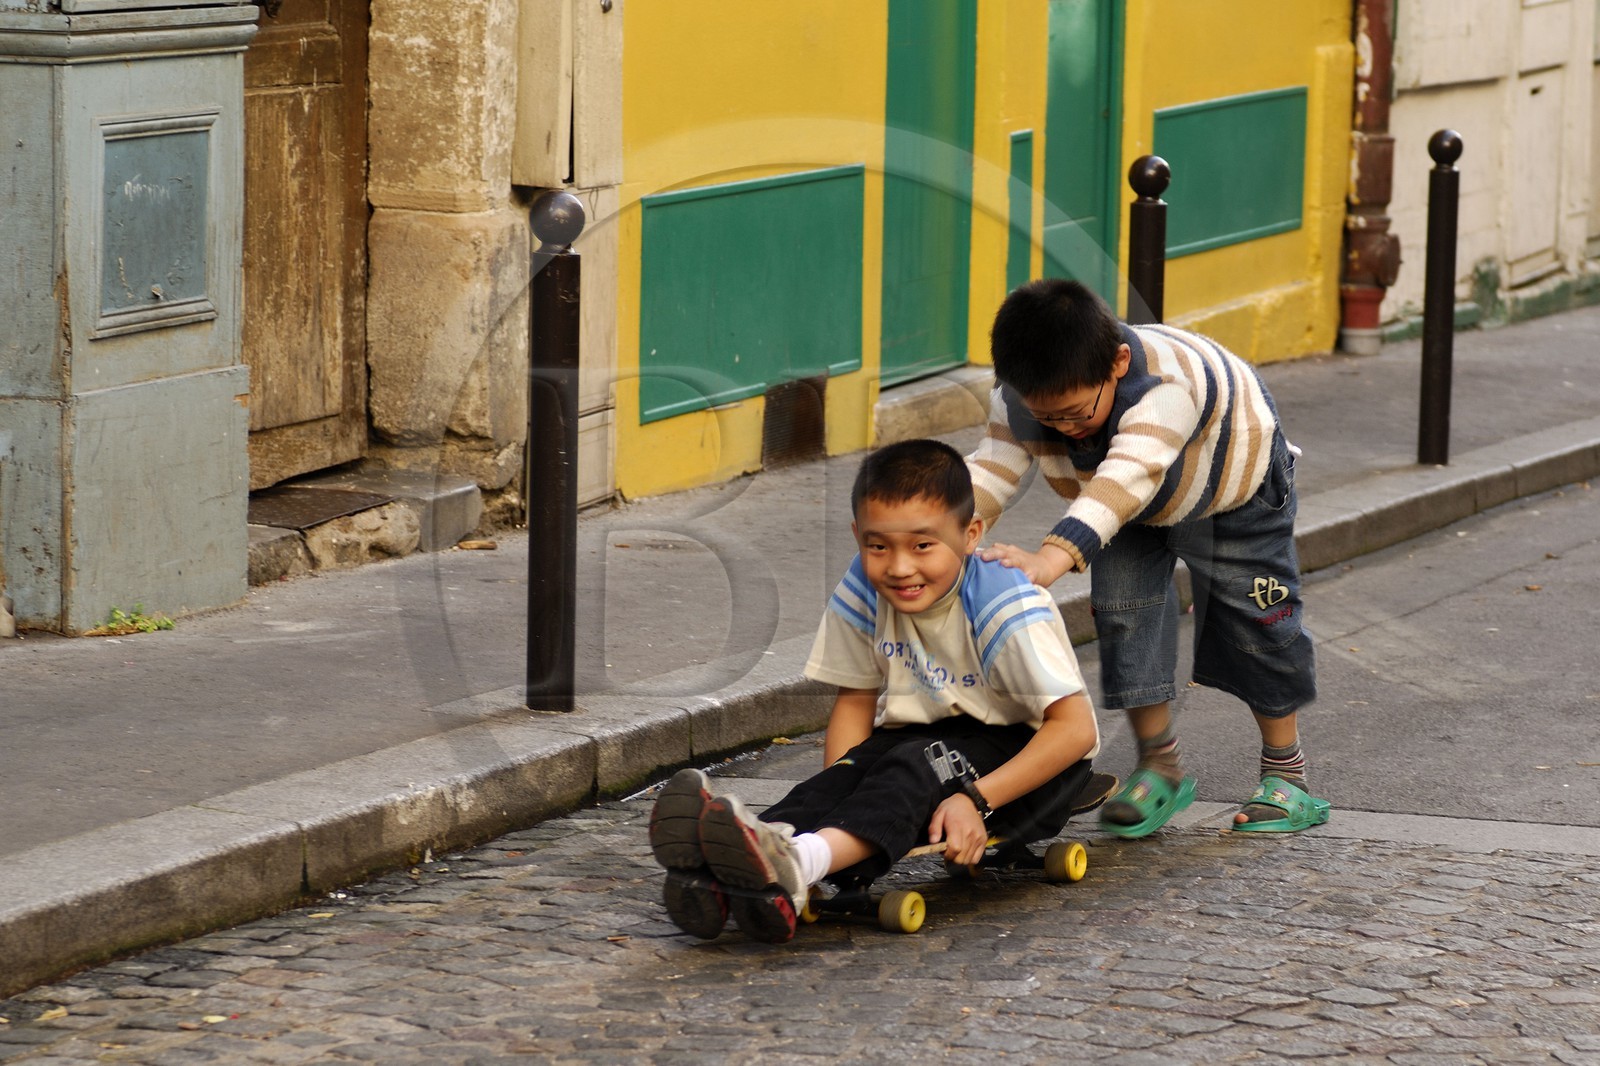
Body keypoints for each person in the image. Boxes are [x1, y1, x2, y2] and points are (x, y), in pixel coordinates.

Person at [648, 438, 1102, 943]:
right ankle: (736, 865)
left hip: (1030, 760)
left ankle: (798, 865)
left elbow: (1076, 731)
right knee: (843, 776)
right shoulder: (867, 586)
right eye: (878, 545)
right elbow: (856, 700)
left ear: (970, 534)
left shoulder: (1004, 601)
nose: (899, 566)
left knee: (915, 765)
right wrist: (839, 794)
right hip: (924, 737)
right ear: (858, 536)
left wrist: (977, 799)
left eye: (923, 545)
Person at [967, 277, 1329, 839]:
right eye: (1047, 418)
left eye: (1072, 412)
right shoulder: (1024, 395)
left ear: (1116, 363)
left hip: (1230, 490)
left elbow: (1127, 471)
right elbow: (991, 470)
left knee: (1261, 624)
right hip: (1123, 507)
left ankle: (1289, 774)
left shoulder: (1167, 389)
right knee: (1123, 616)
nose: (1063, 428)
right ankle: (1160, 768)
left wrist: (1049, 559)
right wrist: (931, 537)